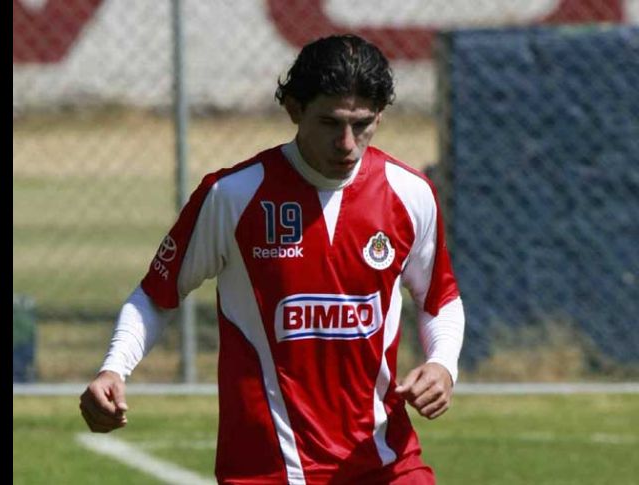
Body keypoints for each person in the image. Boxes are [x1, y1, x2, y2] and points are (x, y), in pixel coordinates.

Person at [80, 34, 465, 485]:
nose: (347, 143)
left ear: (380, 115)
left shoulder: (410, 193)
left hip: (382, 459)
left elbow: (439, 298)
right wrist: (114, 368)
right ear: (295, 110)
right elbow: (156, 296)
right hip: (267, 469)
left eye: (362, 125)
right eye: (330, 123)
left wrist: (443, 364)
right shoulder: (234, 196)